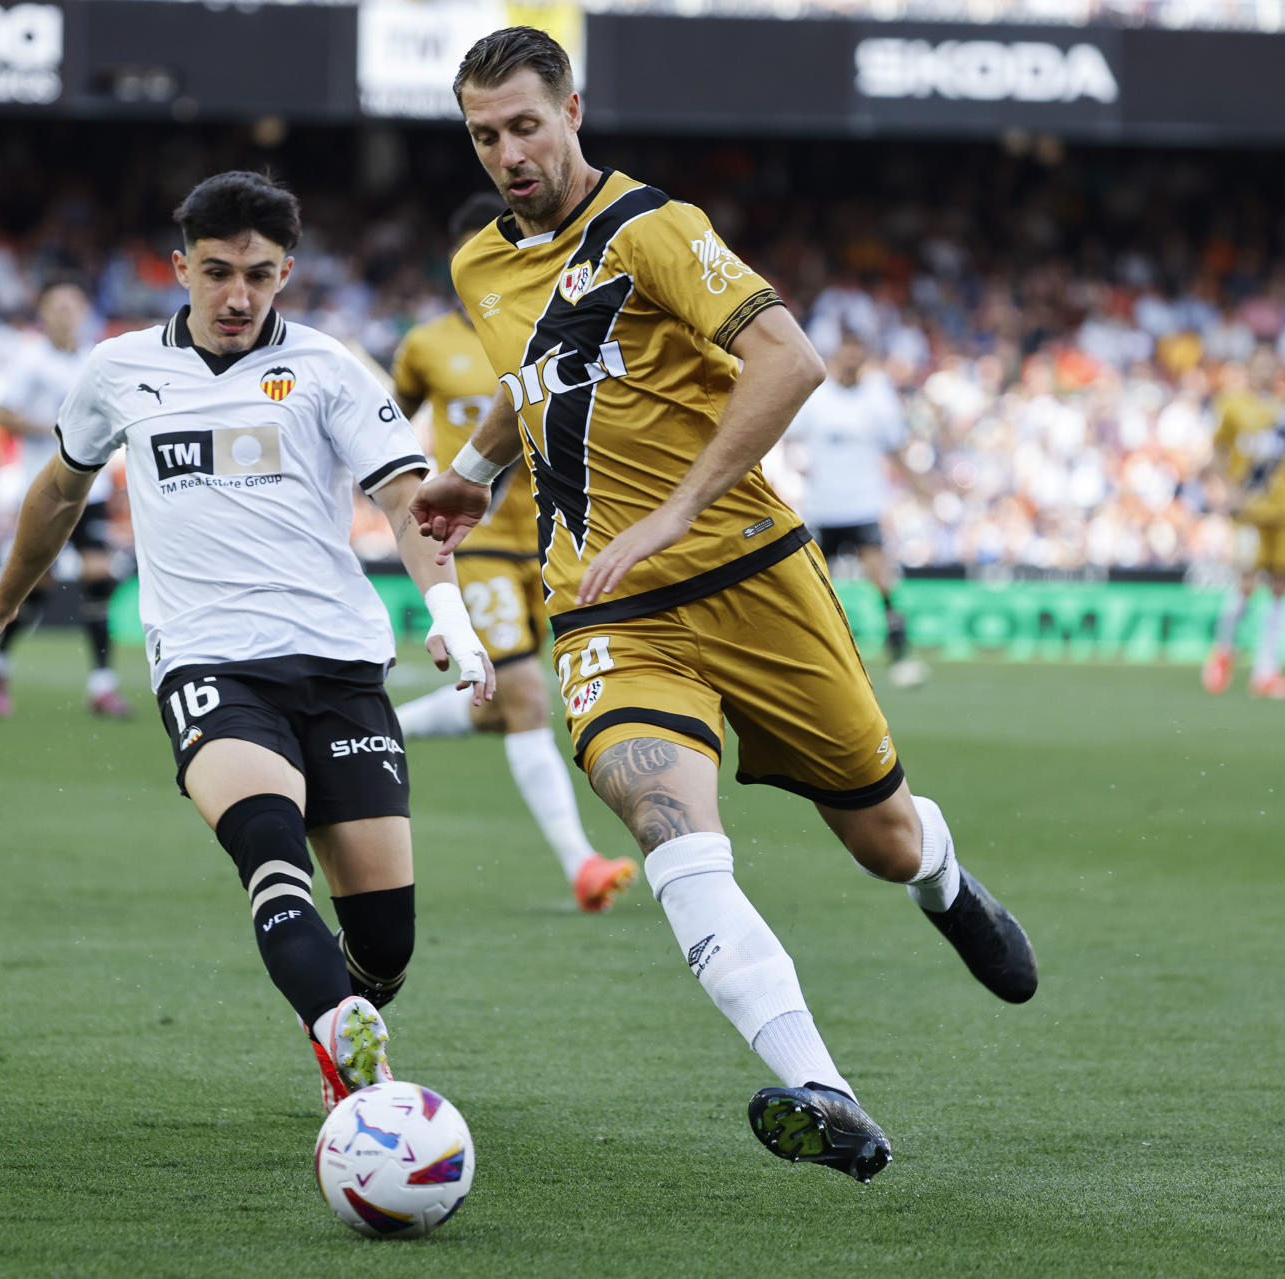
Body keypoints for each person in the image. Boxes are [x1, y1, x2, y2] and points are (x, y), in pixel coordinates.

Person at [413, 28, 1037, 1183]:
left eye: (524, 127)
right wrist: (479, 466)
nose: (507, 153)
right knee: (673, 838)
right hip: (607, 609)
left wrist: (672, 511)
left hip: (753, 579)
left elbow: (789, 361)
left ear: (573, 112)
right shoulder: (478, 268)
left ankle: (942, 875)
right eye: (484, 135)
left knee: (881, 835)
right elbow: (531, 373)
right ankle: (826, 1091)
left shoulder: (656, 229)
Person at [0, 172, 495, 1111]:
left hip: (342, 663)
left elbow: (406, 499)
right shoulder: (118, 369)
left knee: (386, 939)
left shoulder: (328, 367)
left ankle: (352, 1012)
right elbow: (62, 486)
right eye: (221, 272)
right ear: (181, 264)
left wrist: (449, 613)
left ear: (287, 272)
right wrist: (4, 603)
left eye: (263, 276)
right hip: (209, 661)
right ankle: (354, 1058)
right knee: (269, 846)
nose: (239, 297)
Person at [392, 192, 638, 913]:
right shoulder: (426, 346)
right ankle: (582, 863)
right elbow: (389, 431)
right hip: (485, 546)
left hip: (564, 540)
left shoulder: (556, 330)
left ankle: (377, 729)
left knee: (513, 699)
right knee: (526, 695)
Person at [0, 283, 131, 719]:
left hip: (92, 487)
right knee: (37, 587)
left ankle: (102, 684)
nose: (65, 313)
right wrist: (55, 429)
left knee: (100, 574)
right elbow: (0, 412)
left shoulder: (97, 358)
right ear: (43, 312)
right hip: (45, 487)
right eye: (56, 306)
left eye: (73, 304)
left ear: (85, 309)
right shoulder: (30, 360)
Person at [770, 331, 927, 688]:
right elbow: (788, 435)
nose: (853, 362)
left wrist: (921, 485)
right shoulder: (817, 395)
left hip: (863, 502)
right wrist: (796, 468)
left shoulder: (878, 395)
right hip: (824, 505)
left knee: (880, 576)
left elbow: (895, 445)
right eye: (848, 355)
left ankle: (898, 647)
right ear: (838, 356)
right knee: (814, 580)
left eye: (858, 355)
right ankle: (808, 649)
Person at [1202, 344, 1285, 700]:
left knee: (1279, 588)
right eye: (1258, 365)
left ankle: (1266, 672)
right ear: (1249, 369)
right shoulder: (1231, 405)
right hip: (1249, 510)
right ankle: (1223, 651)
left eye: (1270, 365)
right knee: (1245, 584)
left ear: (1278, 370)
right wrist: (1229, 492)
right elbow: (1216, 451)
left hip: (1281, 510)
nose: (1264, 372)